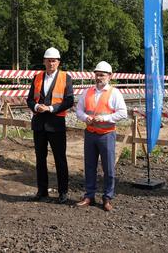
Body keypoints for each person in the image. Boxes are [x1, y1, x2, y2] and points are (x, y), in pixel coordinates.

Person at [75, 61, 127, 211]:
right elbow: (79, 110)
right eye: (97, 74)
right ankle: (89, 195)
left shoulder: (114, 93)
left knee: (108, 168)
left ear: (109, 76)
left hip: (107, 135)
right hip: (90, 134)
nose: (99, 78)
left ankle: (107, 197)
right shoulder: (87, 92)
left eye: (102, 75)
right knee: (89, 166)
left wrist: (105, 118)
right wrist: (85, 118)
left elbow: (122, 112)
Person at [26, 47, 75, 204]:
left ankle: (63, 191)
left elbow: (69, 101)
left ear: (58, 62)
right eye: (48, 60)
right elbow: (29, 99)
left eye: (54, 60)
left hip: (56, 124)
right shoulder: (37, 77)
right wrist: (36, 107)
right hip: (39, 124)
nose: (51, 63)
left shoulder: (65, 78)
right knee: (40, 159)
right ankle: (42, 190)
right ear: (44, 61)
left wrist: (51, 108)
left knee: (60, 159)